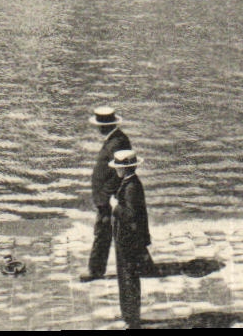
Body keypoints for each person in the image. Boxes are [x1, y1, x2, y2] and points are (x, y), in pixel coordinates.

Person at [79, 106, 132, 282]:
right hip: (106, 196)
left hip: (107, 198)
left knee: (102, 232)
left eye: (100, 126)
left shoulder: (117, 142)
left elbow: (119, 173)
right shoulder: (115, 139)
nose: (98, 129)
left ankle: (95, 270)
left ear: (106, 126)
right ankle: (141, 264)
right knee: (123, 232)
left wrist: (105, 195)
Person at [110, 149, 151, 329]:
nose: (116, 170)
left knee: (128, 278)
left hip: (128, 240)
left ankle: (132, 319)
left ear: (124, 169)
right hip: (127, 239)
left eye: (118, 167)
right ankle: (129, 316)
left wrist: (115, 207)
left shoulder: (131, 187)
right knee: (127, 277)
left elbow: (130, 215)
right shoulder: (130, 183)